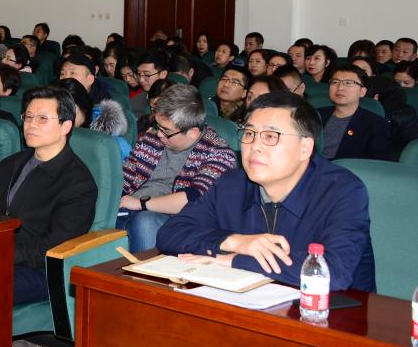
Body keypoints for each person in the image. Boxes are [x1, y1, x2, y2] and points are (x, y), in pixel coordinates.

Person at [156, 91, 375, 292]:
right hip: (246, 303)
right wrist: (235, 242)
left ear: (305, 148)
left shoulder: (342, 191)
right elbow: (171, 234)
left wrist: (234, 260)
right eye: (249, 133)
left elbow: (333, 271)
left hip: (331, 313)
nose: (255, 146)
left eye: (270, 136)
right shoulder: (232, 184)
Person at [0, 86, 97, 347]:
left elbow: (54, 246)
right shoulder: (11, 164)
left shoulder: (78, 183)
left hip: (38, 270)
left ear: (66, 126)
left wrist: (0, 254)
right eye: (28, 117)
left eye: (43, 118)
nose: (31, 124)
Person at [118, 85, 237, 252]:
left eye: (166, 131)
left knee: (145, 221)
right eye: (158, 126)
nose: (159, 134)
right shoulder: (151, 139)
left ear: (193, 132)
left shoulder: (218, 153)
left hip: (177, 221)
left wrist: (140, 204)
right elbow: (124, 178)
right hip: (130, 209)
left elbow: (195, 200)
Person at [318, 64, 390, 161]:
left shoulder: (376, 124)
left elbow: (376, 164)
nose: (340, 87)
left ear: (362, 92)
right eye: (335, 82)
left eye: (348, 83)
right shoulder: (315, 115)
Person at [58, 53, 111, 118]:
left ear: (90, 79)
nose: (65, 78)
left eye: (72, 73)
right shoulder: (54, 96)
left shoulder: (103, 108)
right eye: (62, 73)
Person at [132, 51, 168, 117]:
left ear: (163, 74)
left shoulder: (175, 101)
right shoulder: (135, 102)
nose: (141, 80)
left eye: (147, 75)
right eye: (139, 74)